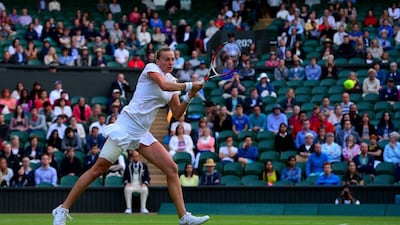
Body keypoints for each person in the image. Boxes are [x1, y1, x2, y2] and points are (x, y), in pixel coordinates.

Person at [52, 47, 209, 225]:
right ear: (157, 61)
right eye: (167, 59)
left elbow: (178, 114)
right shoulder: (151, 69)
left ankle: (183, 217)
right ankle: (62, 209)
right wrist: (189, 85)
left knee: (172, 168)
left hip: (142, 133)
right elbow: (163, 85)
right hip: (126, 127)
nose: (171, 62)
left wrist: (189, 96)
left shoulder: (173, 81)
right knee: (98, 170)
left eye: (173, 59)